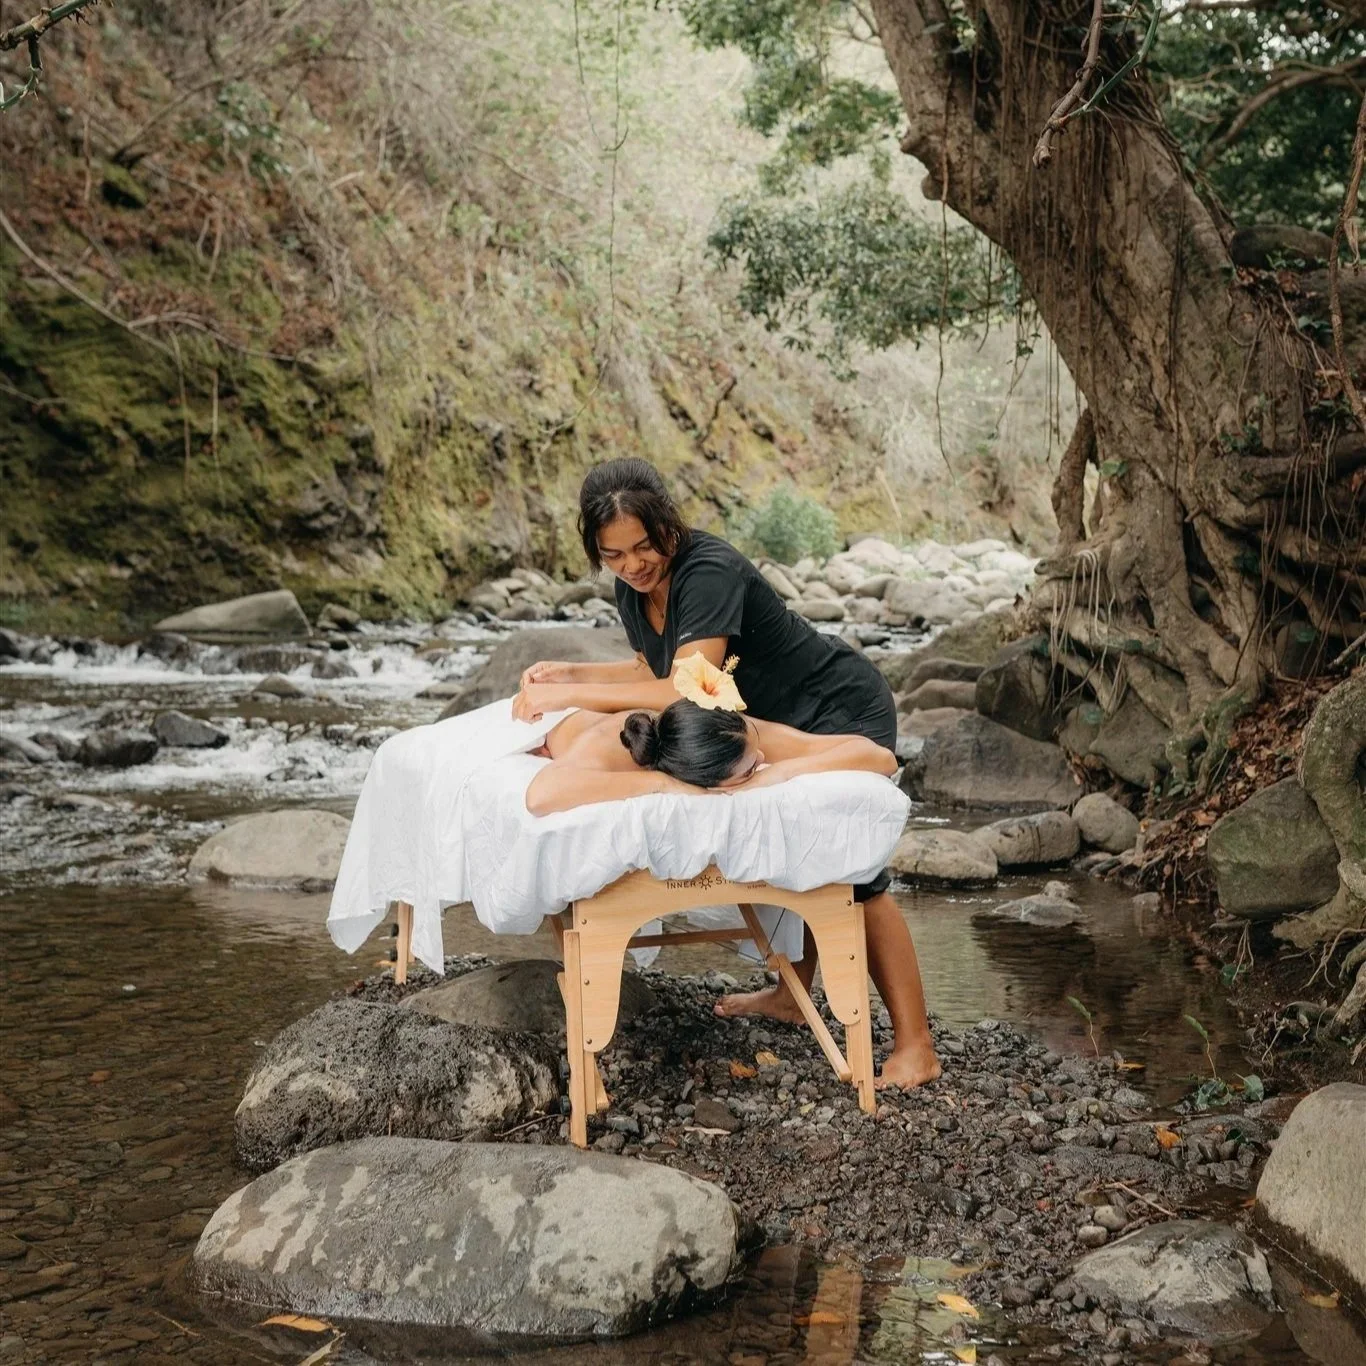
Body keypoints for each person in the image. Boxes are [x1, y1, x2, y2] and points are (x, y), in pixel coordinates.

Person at [512, 457, 941, 1089]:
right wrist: (564, 677)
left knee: (855, 873)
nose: (633, 564)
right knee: (796, 849)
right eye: (614, 554)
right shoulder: (633, 590)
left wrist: (567, 699)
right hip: (760, 721)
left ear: (668, 523)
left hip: (832, 708)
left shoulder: (707, 572)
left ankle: (918, 1045)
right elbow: (645, 672)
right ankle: (796, 998)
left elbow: (685, 690)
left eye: (644, 546)